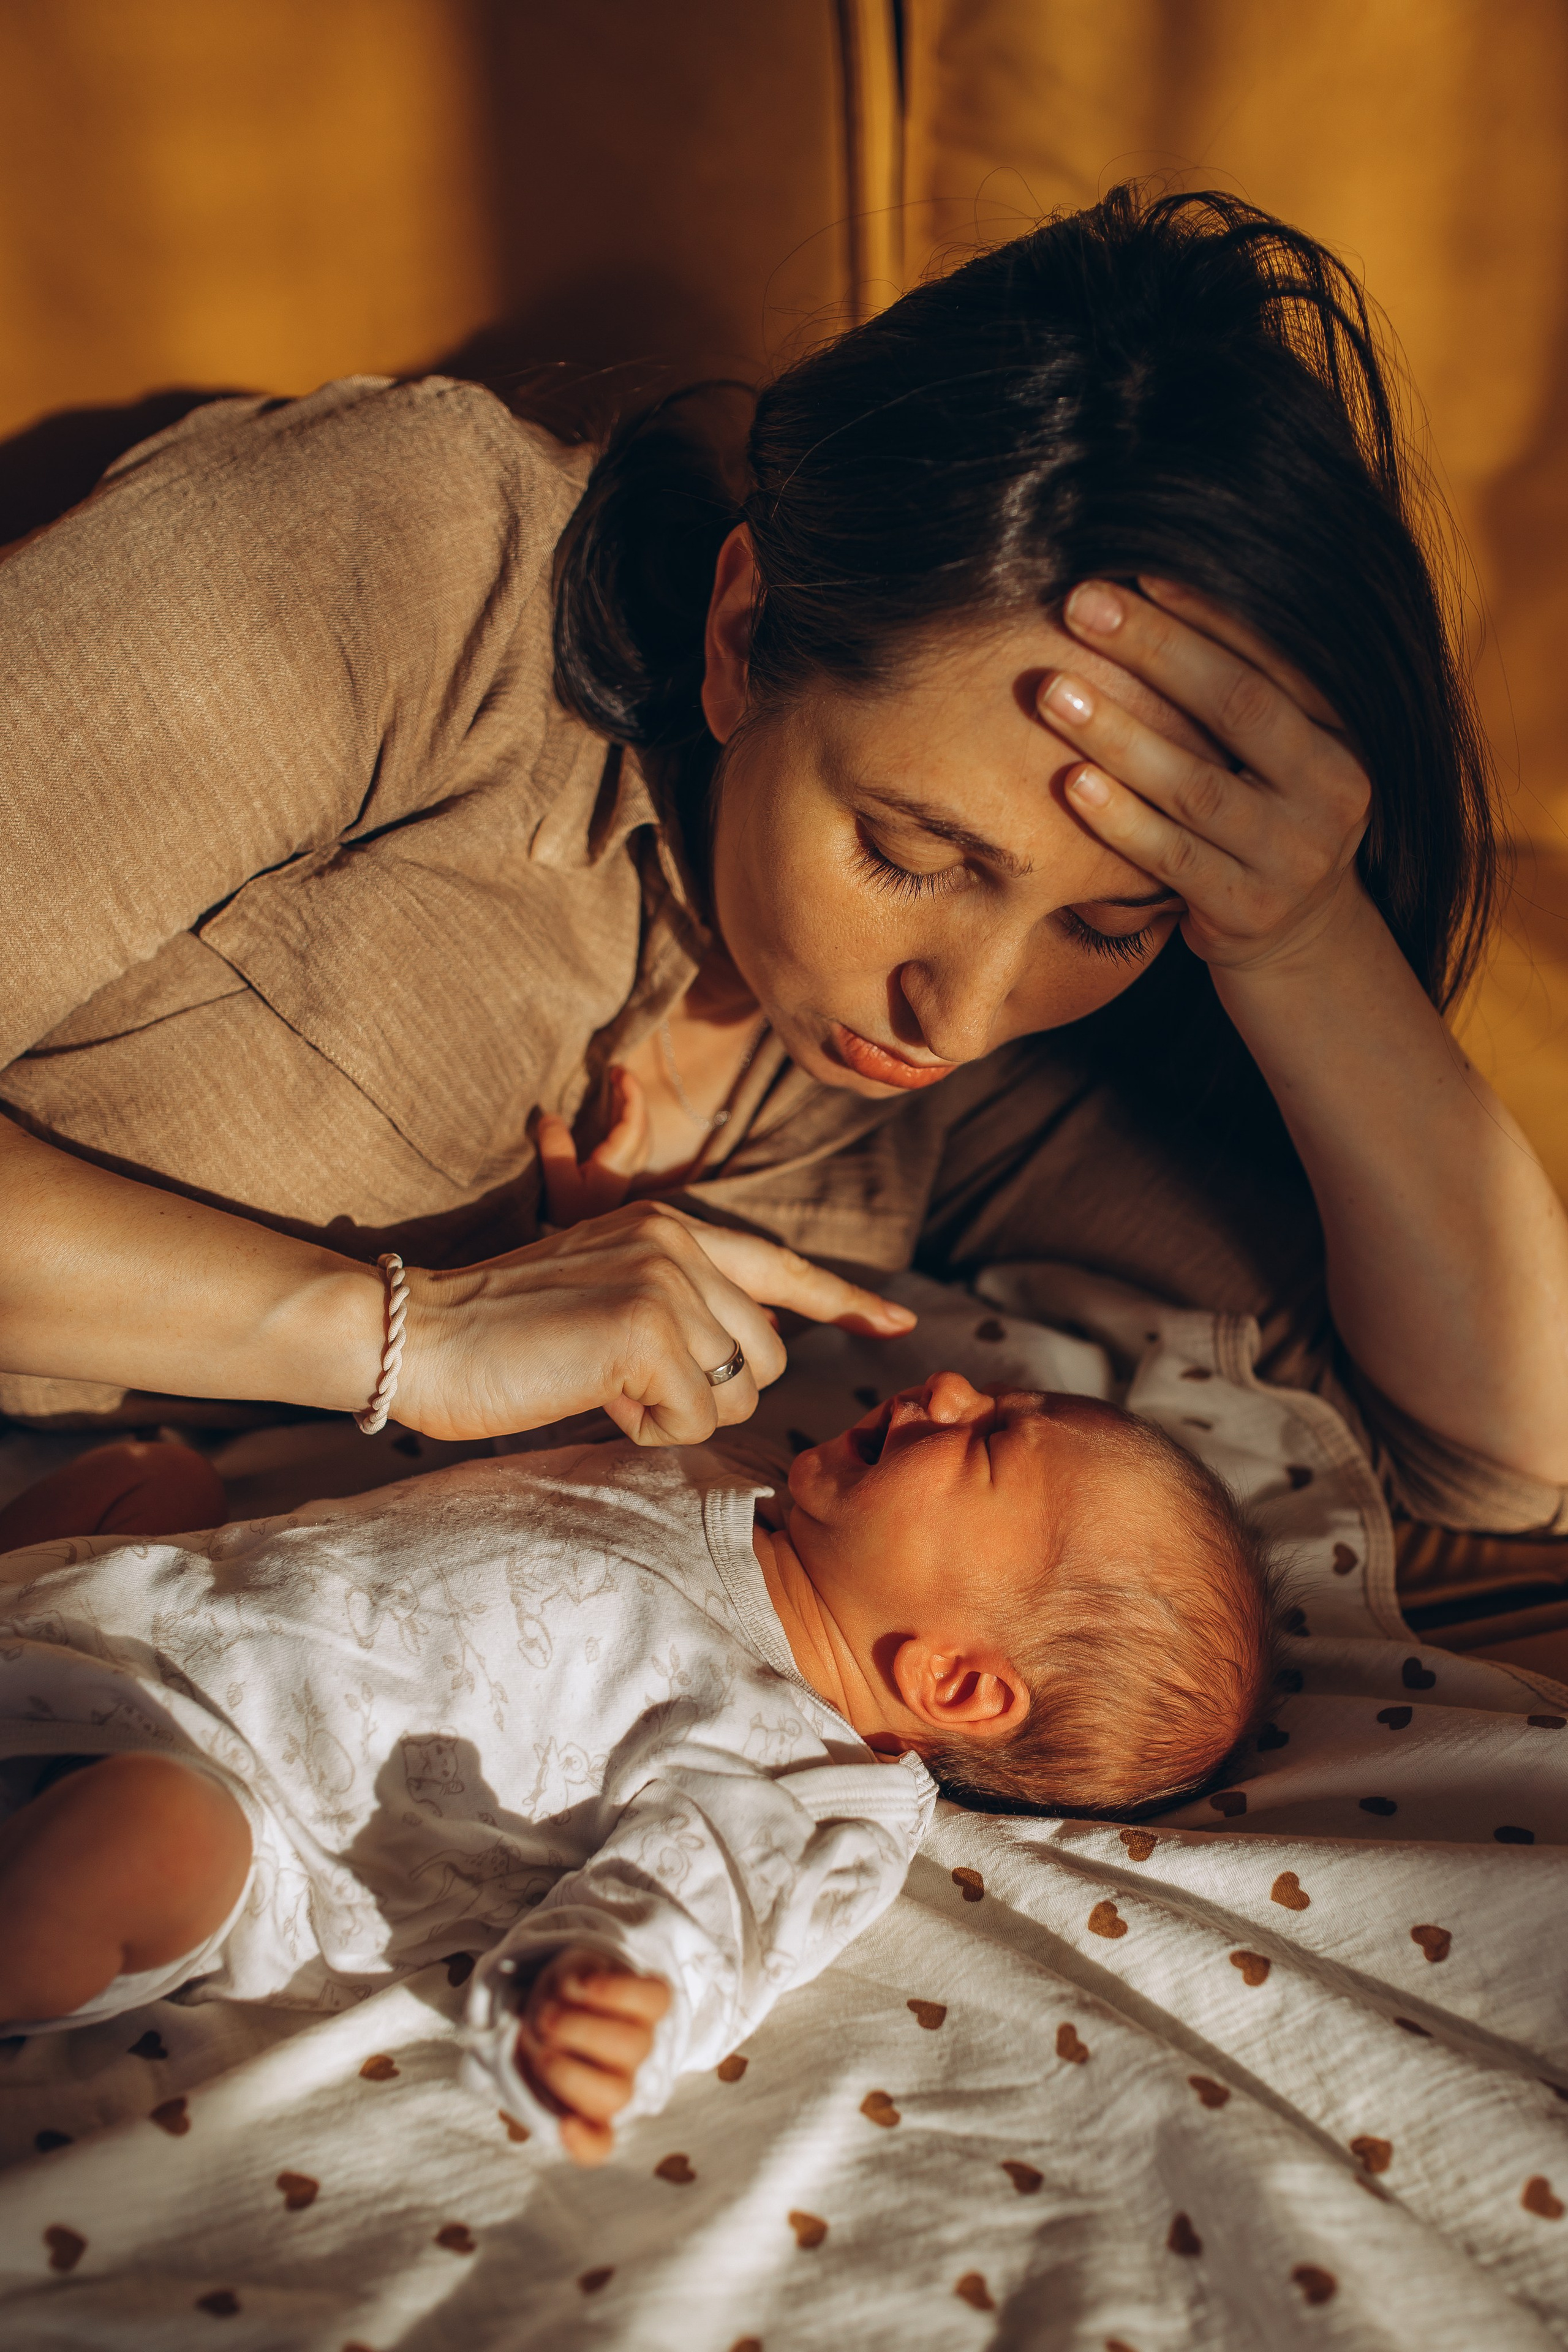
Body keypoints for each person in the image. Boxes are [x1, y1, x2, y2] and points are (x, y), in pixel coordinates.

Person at [2, 185, 1564, 1547]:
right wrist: (403, 1337)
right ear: (744, 633)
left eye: (1109, 922)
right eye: (906, 850)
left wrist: (1302, 941)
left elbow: (1494, 1457)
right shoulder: (415, 560)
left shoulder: (940, 1092)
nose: (959, 1012)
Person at [0, 1371, 1272, 2162]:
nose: (946, 1386)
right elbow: (552, 1429)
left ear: (956, 1684)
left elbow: (704, 1914)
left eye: (986, 1441)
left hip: (230, 1796)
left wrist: (607, 1993)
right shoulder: (735, 1477)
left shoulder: (801, 1773)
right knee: (149, 1472)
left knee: (144, 1836)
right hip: (122, 1608)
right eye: (994, 1391)